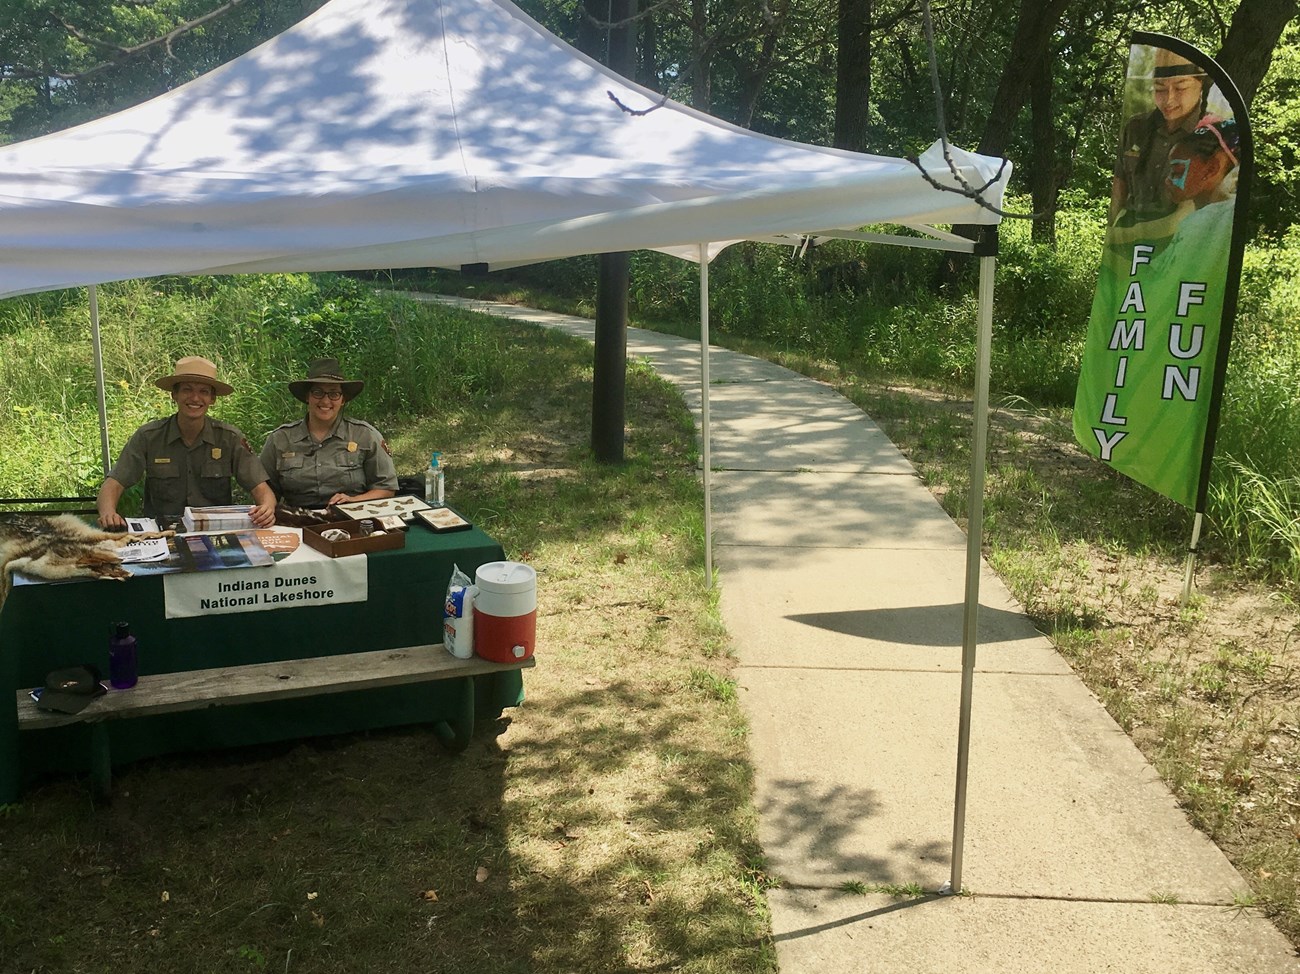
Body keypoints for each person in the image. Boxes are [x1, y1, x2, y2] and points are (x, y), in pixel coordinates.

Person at [97, 356, 276, 529]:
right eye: (187, 390)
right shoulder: (149, 437)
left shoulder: (229, 438)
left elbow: (262, 490)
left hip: (215, 533)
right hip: (163, 534)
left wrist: (267, 508)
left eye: (203, 392)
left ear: (212, 399)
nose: (195, 398)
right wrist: (108, 513)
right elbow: (113, 484)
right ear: (174, 394)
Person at [260, 358, 398, 509]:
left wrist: (354, 500)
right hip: (298, 521)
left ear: (343, 399)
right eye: (318, 392)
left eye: (334, 394)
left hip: (351, 519)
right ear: (307, 396)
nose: (326, 401)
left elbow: (386, 488)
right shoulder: (280, 439)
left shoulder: (365, 435)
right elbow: (264, 490)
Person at [1110, 48, 1210, 225]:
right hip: (1128, 237)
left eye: (1180, 88)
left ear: (1201, 85)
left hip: (1180, 242)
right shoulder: (1136, 128)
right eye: (1160, 89)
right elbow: (1119, 186)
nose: (1169, 99)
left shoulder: (1210, 135)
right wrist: (1111, 233)